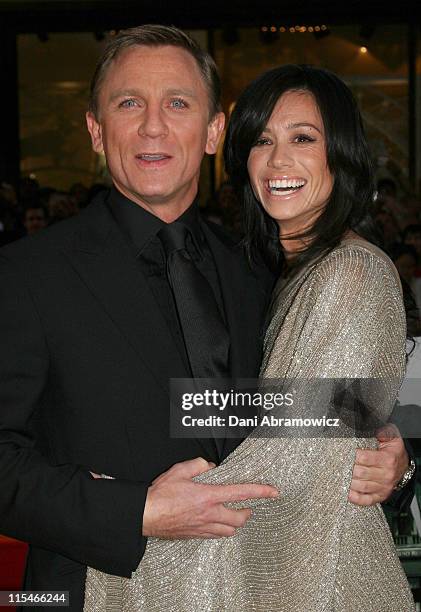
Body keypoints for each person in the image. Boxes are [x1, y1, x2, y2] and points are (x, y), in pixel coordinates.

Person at [0, 28, 412, 612]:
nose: (152, 126)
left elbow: (298, 417)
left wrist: (389, 458)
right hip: (91, 593)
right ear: (95, 128)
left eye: (177, 103)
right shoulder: (25, 275)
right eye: (128, 103)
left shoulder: (257, 272)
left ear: (214, 131)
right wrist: (134, 512)